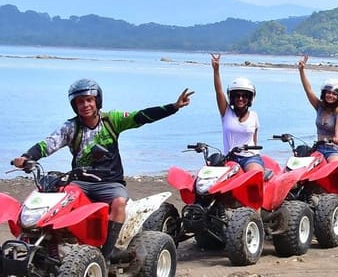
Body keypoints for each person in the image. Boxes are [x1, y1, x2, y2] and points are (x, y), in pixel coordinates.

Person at [11, 78, 194, 260]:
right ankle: (56, 244)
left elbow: (141, 116)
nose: (85, 105)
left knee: (119, 202)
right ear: (75, 106)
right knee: (58, 202)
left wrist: (174, 107)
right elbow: (47, 144)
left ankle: (108, 252)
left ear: (97, 100)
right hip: (80, 181)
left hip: (110, 182)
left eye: (89, 100)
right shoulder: (71, 127)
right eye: (80, 102)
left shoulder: (112, 121)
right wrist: (28, 157)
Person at [297, 54, 338, 210]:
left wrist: (336, 138)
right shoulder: (319, 106)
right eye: (329, 92)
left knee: (337, 170)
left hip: (332, 149)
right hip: (318, 147)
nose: (331, 95)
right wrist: (302, 71)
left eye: (335, 93)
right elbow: (307, 89)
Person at [211, 53, 266, 178]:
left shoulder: (254, 116)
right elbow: (218, 91)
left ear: (250, 98)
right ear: (232, 97)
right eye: (237, 95)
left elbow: (254, 140)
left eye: (244, 95)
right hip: (230, 157)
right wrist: (216, 70)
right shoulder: (226, 112)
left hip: (250, 157)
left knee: (255, 175)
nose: (240, 98)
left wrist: (256, 154)